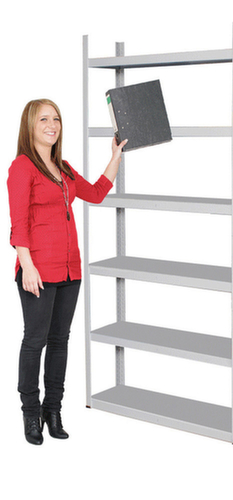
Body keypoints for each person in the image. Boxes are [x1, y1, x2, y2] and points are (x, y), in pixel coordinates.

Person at [7, 99, 127, 445]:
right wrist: (27, 265)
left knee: (60, 341)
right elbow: (18, 223)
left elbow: (97, 193)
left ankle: (53, 410)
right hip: (38, 270)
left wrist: (115, 156)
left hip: (70, 269)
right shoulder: (22, 167)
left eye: (56, 119)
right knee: (35, 341)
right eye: (44, 119)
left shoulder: (64, 168)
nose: (52, 125)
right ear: (30, 126)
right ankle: (30, 413)